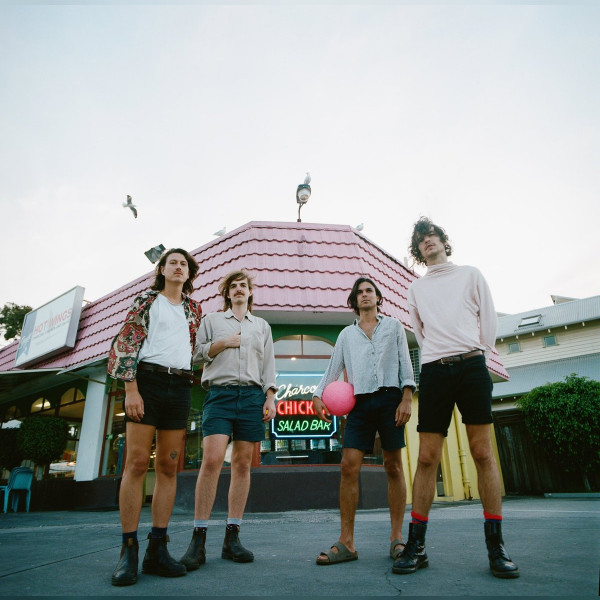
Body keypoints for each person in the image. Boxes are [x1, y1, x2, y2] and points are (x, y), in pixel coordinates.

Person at [393, 217, 519, 579]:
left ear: (444, 242)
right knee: (428, 456)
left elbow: (489, 320)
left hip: (471, 365)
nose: (427, 241)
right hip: (434, 370)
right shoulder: (416, 289)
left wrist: (478, 349)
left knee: (482, 451)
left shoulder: (470, 274)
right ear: (417, 251)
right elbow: (420, 331)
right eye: (421, 240)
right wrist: (438, 354)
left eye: (432, 235)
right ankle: (416, 546)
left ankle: (496, 547)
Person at [107, 248, 202, 586]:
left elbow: (193, 349)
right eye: (172, 262)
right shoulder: (146, 301)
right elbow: (127, 342)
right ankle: (128, 550)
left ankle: (157, 550)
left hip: (180, 386)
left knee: (168, 465)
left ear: (189, 274)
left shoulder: (194, 309)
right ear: (162, 269)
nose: (178, 267)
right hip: (146, 381)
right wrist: (131, 388)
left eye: (184, 264)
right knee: (135, 464)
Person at [312, 277, 416, 565]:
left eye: (369, 290)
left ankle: (397, 539)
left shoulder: (394, 326)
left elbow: (406, 365)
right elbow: (333, 368)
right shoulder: (347, 335)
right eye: (360, 292)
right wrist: (318, 394)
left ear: (378, 297)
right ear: (354, 301)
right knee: (348, 466)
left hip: (390, 400)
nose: (365, 295)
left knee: (393, 466)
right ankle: (347, 543)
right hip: (359, 403)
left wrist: (407, 397)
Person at [179, 270, 276, 570]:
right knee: (212, 460)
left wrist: (270, 397)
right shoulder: (212, 321)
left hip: (251, 397)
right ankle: (199, 539)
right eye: (233, 286)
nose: (238, 290)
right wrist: (222, 344)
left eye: (242, 286)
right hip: (219, 395)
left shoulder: (261, 326)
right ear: (227, 293)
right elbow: (195, 354)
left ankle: (232, 538)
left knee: (243, 464)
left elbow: (269, 364)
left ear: (249, 293)